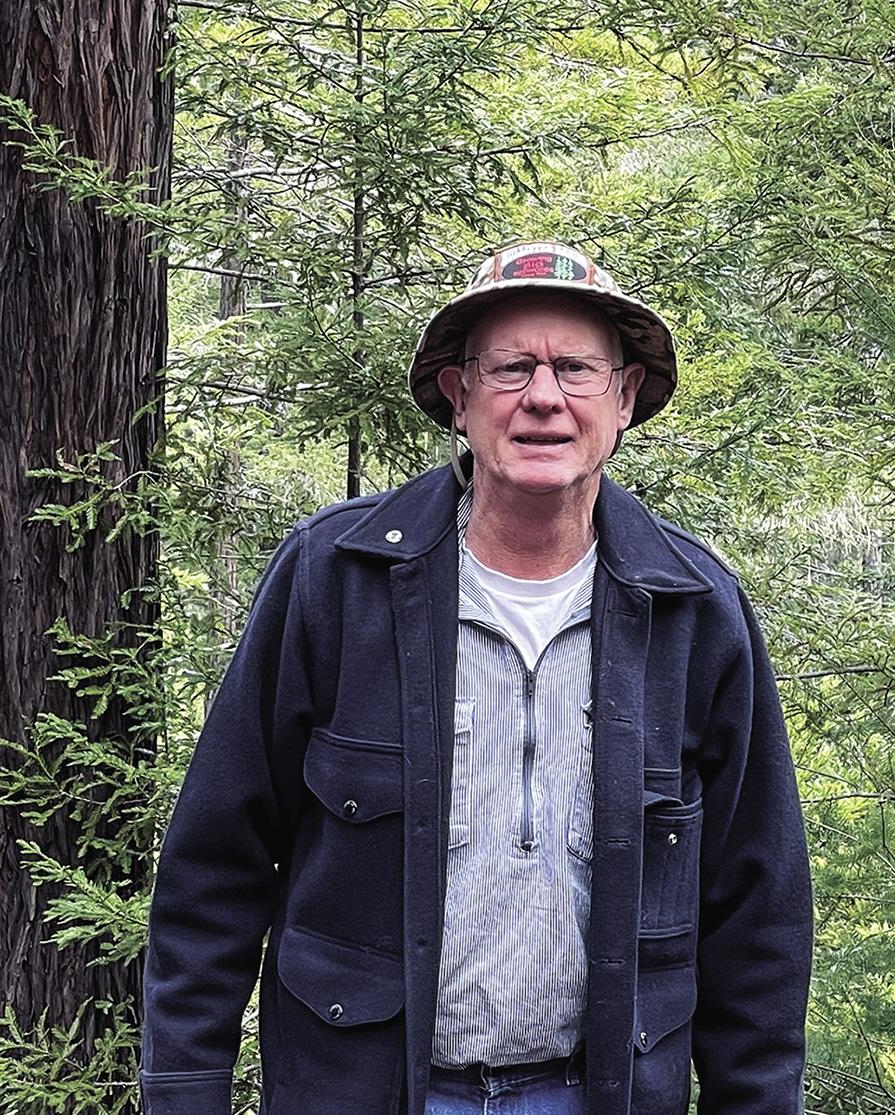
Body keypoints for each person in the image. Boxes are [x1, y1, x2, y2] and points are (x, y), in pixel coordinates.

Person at [140, 241, 813, 1115]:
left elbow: (757, 911)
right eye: (509, 368)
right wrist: (186, 1095)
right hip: (363, 1095)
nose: (543, 397)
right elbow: (213, 869)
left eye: (575, 368)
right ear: (459, 397)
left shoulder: (695, 609)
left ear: (625, 397)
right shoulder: (334, 579)